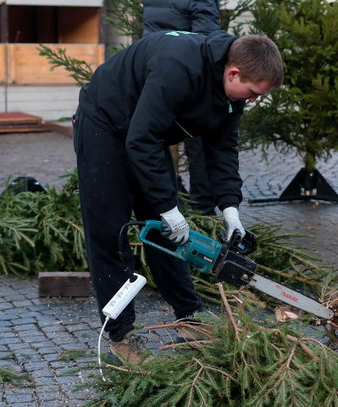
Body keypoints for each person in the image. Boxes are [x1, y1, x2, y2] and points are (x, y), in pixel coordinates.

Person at [73, 31, 284, 363]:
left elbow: (222, 151)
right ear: (233, 73)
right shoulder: (179, 67)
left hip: (144, 133)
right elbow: (141, 141)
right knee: (110, 231)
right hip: (105, 123)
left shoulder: (233, 96)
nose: (254, 100)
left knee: (168, 230)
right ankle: (121, 336)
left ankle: (189, 317)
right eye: (254, 92)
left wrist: (230, 209)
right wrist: (168, 206)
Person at [142, 0, 220, 215]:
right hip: (187, 78)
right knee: (199, 145)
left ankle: (160, 205)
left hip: (153, 71)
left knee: (153, 140)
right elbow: (206, 40)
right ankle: (203, 211)